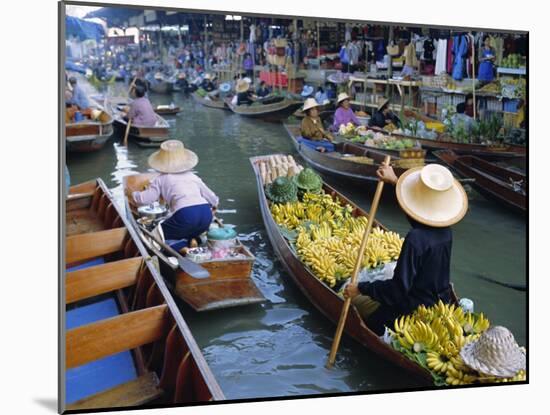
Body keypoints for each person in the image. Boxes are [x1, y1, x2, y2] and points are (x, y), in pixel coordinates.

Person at [343, 163, 469, 335]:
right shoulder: (446, 232)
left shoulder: (415, 239)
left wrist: (361, 288)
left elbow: (396, 291)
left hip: (412, 311)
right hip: (440, 302)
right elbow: (416, 214)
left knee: (365, 314)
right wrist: (394, 181)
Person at [131, 140, 218, 245]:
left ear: (161, 164)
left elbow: (145, 199)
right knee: (188, 229)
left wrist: (133, 194)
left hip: (186, 216)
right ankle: (194, 240)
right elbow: (214, 199)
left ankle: (182, 247)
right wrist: (212, 209)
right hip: (205, 215)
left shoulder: (161, 179)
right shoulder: (193, 177)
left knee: (155, 236)